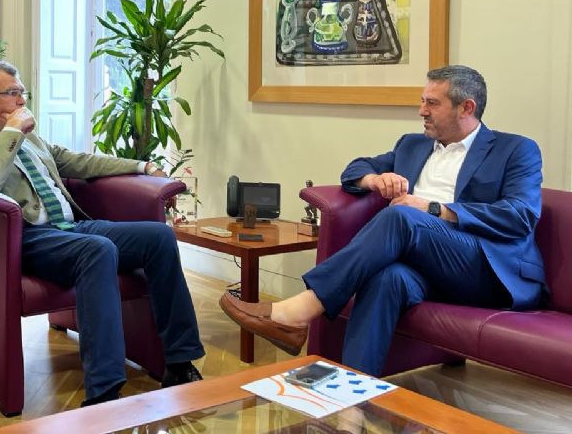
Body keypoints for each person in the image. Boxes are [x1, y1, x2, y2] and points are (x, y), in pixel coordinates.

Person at [220, 65, 547, 376]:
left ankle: (299, 311)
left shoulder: (515, 149)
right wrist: (375, 180)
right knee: (387, 279)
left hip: (486, 269)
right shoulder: (413, 145)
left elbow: (520, 215)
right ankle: (353, 398)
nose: (421, 111)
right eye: (422, 101)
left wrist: (433, 208)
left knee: (401, 216)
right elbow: (354, 169)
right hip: (425, 264)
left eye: (432, 103)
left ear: (467, 108)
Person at [0, 61, 205, 406]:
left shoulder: (33, 139)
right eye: (12, 92)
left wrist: (142, 166)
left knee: (159, 237)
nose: (22, 100)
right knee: (98, 250)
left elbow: (79, 161)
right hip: (27, 238)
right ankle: (104, 390)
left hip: (74, 226)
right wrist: (11, 133)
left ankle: (179, 361)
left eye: (23, 92)